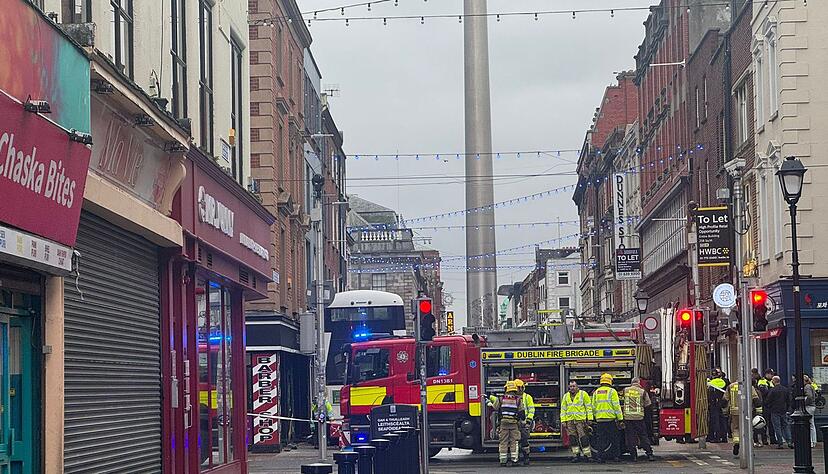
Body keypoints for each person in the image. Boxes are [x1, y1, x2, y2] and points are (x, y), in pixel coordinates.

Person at [591, 373, 624, 463]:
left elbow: (593, 406)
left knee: (601, 439)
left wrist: (595, 417)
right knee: (614, 438)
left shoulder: (596, 392)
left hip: (600, 420)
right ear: (610, 381)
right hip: (610, 420)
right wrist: (620, 418)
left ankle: (600, 458)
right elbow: (616, 406)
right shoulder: (612, 391)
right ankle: (616, 457)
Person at [560, 380, 594, 463]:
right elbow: (563, 409)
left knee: (584, 438)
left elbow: (588, 407)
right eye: (571, 386)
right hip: (570, 421)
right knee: (573, 439)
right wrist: (563, 421)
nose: (572, 388)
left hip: (580, 420)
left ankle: (587, 455)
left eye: (574, 386)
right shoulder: (566, 396)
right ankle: (576, 455)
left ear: (577, 387)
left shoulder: (583, 394)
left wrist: (590, 419)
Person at [622, 377, 655, 461]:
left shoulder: (625, 390)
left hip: (628, 418)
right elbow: (648, 404)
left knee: (630, 437)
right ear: (639, 383)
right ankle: (649, 453)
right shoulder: (642, 392)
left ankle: (634, 456)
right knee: (643, 436)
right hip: (639, 417)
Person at [724, 379, 760, 456]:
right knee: (748, 429)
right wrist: (758, 408)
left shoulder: (731, 386)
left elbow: (725, 400)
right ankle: (749, 449)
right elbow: (756, 400)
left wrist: (724, 409)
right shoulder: (749, 386)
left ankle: (736, 443)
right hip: (747, 412)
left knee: (736, 428)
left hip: (735, 412)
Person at [492, 381, 524, 467]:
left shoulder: (501, 399)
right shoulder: (518, 400)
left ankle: (503, 461)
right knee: (514, 442)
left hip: (503, 424)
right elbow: (522, 413)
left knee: (503, 442)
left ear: (506, 389)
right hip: (514, 424)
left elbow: (495, 407)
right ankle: (514, 460)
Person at [765, 375, 793, 449]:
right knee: (786, 426)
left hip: (774, 410)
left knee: (777, 427)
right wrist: (787, 408)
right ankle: (789, 441)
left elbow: (768, 400)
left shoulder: (773, 390)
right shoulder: (785, 389)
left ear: (774, 381)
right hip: (783, 410)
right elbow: (788, 400)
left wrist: (769, 406)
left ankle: (780, 443)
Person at [513, 379, 535, 466]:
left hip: (524, 422)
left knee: (524, 441)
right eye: (517, 387)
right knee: (515, 442)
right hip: (515, 423)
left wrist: (528, 421)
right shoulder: (512, 397)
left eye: (520, 387)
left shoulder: (527, 397)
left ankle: (526, 458)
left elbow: (531, 409)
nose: (519, 389)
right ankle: (516, 458)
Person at [707, 369, 727, 443]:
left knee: (715, 421)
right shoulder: (723, 382)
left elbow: (709, 392)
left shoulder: (711, 383)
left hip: (714, 403)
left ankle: (716, 437)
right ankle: (724, 437)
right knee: (722, 420)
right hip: (722, 403)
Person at [760, 369, 777, 445]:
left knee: (772, 424)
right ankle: (764, 440)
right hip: (765, 405)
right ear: (767, 374)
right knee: (764, 423)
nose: (772, 376)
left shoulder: (772, 382)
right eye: (771, 374)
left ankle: (773, 439)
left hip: (772, 405)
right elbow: (764, 393)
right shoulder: (762, 381)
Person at [804, 375, 818, 448]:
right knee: (812, 424)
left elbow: (809, 396)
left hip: (809, 407)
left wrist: (804, 402)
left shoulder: (807, 387)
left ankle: (811, 441)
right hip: (812, 406)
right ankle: (813, 441)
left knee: (810, 424)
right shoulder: (811, 386)